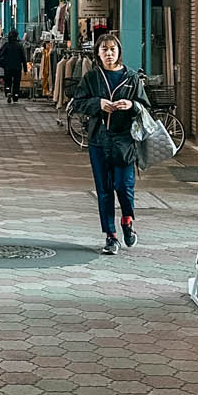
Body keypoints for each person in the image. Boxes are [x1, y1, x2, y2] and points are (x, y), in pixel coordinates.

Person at [73, 33, 150, 255]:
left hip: (125, 140)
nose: (109, 53)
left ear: (119, 52)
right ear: (97, 53)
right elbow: (77, 103)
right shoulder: (92, 77)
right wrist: (98, 104)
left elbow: (145, 106)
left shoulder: (131, 77)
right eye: (104, 49)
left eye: (112, 49)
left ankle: (127, 220)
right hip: (99, 140)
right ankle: (111, 235)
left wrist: (131, 105)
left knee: (124, 186)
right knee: (104, 190)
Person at [0, 29, 27, 105]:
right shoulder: (19, 46)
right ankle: (15, 98)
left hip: (7, 67)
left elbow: (0, 53)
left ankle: (8, 91)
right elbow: (23, 58)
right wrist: (25, 69)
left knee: (8, 81)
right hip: (17, 68)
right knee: (16, 83)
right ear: (17, 36)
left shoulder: (6, 45)